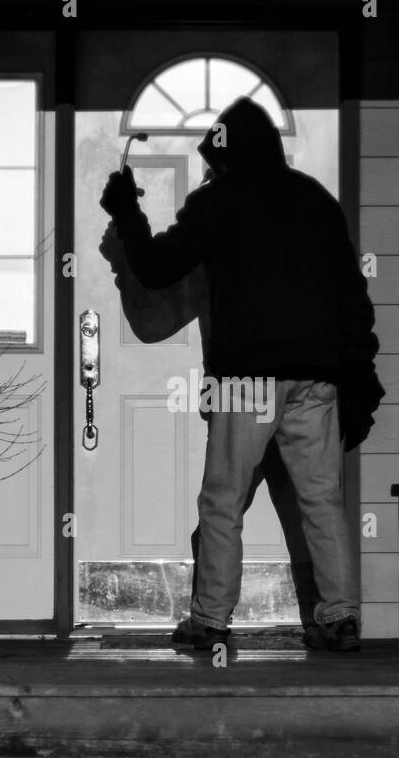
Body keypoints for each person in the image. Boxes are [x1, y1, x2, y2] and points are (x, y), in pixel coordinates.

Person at [100, 97, 383, 653]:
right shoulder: (318, 202)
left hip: (247, 380)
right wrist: (359, 379)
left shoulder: (218, 200)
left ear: (225, 158)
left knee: (223, 501)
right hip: (316, 378)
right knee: (322, 501)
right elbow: (354, 300)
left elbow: (158, 269)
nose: (209, 170)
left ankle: (210, 620)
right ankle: (340, 617)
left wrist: (127, 215)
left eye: (213, 160)